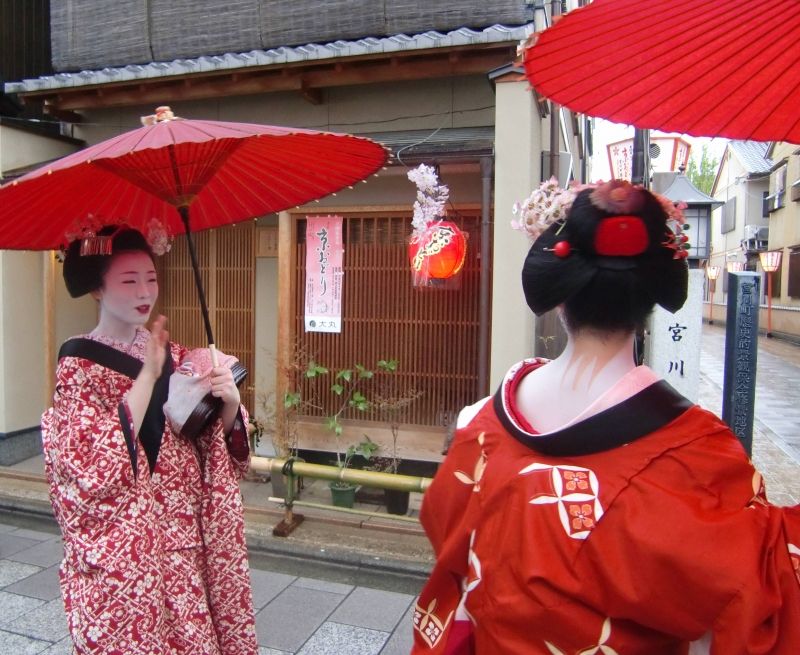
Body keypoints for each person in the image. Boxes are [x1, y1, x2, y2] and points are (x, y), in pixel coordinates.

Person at [411, 180, 800, 654]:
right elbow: (752, 597)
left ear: (559, 297)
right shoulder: (699, 456)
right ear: (651, 302)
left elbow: (444, 531)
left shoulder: (480, 425)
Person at [41, 225, 258, 655]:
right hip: (129, 549)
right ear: (97, 289)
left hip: (183, 539)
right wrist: (148, 374)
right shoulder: (79, 362)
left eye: (151, 278)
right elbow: (85, 465)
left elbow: (203, 437)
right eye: (128, 280)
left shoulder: (171, 352)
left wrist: (229, 403)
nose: (144, 291)